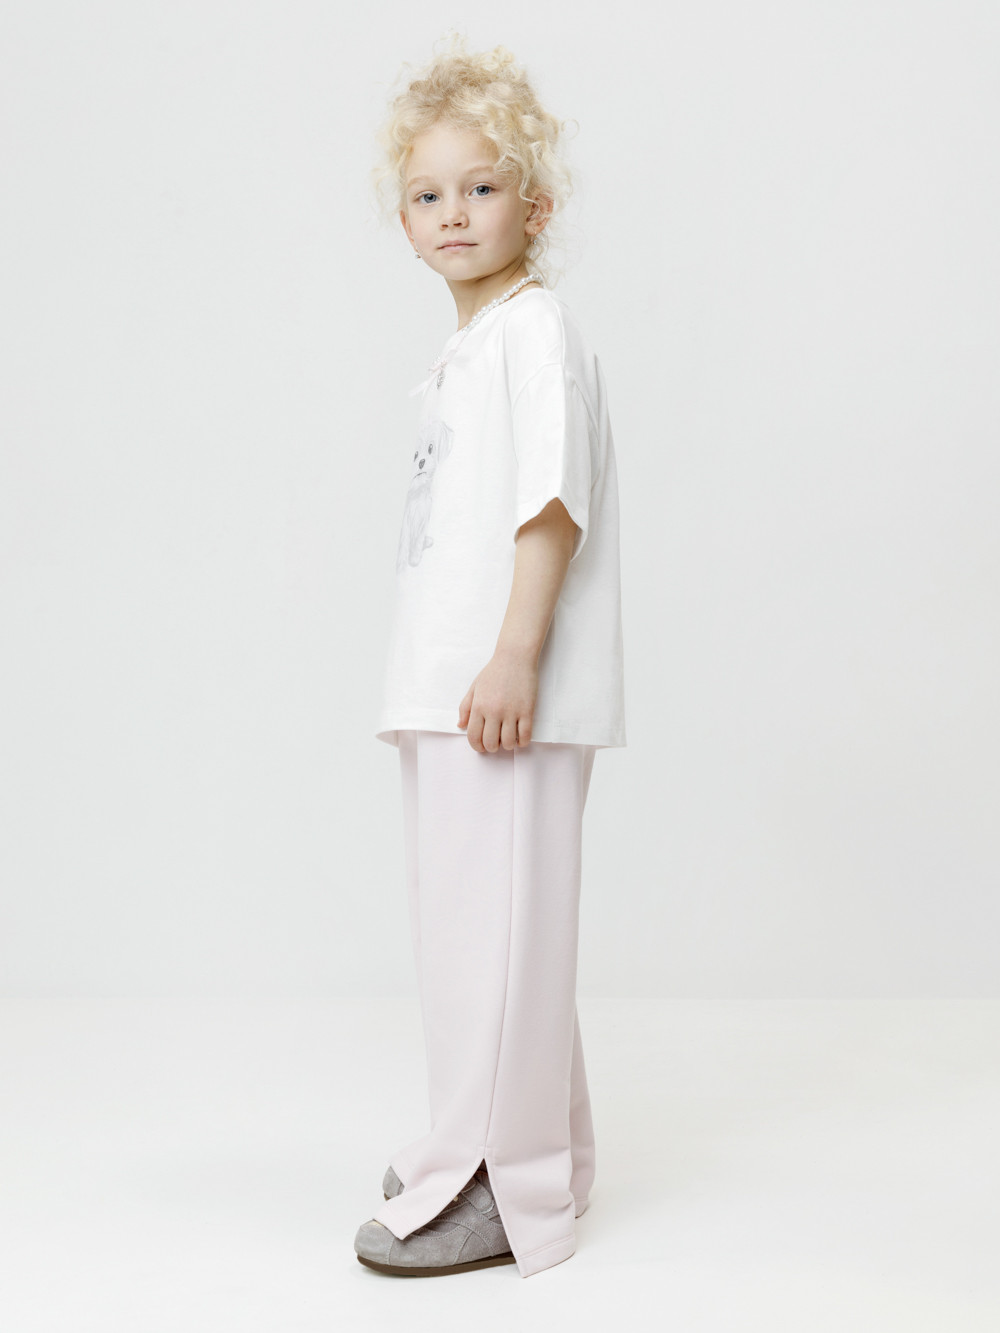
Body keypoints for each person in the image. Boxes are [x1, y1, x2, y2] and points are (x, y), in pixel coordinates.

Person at [354, 34, 627, 1280]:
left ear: (536, 203)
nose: (453, 212)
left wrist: (515, 656)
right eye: (428, 194)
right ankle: (526, 1154)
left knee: (493, 945)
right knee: (485, 939)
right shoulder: (462, 354)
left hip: (500, 692)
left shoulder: (533, 331)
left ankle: (499, 1188)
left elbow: (551, 505)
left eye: (481, 185)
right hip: (448, 689)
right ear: (405, 223)